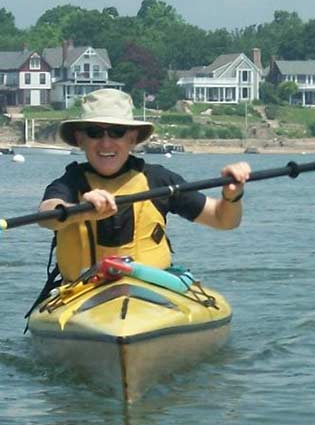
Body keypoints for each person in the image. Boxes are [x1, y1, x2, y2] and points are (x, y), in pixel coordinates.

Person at [39, 88, 251, 283]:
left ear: (132, 138)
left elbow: (223, 220)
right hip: (80, 294)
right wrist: (79, 211)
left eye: (117, 132)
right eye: (94, 132)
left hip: (150, 294)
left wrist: (232, 195)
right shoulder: (69, 181)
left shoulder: (159, 180)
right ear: (80, 139)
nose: (106, 143)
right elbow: (47, 215)